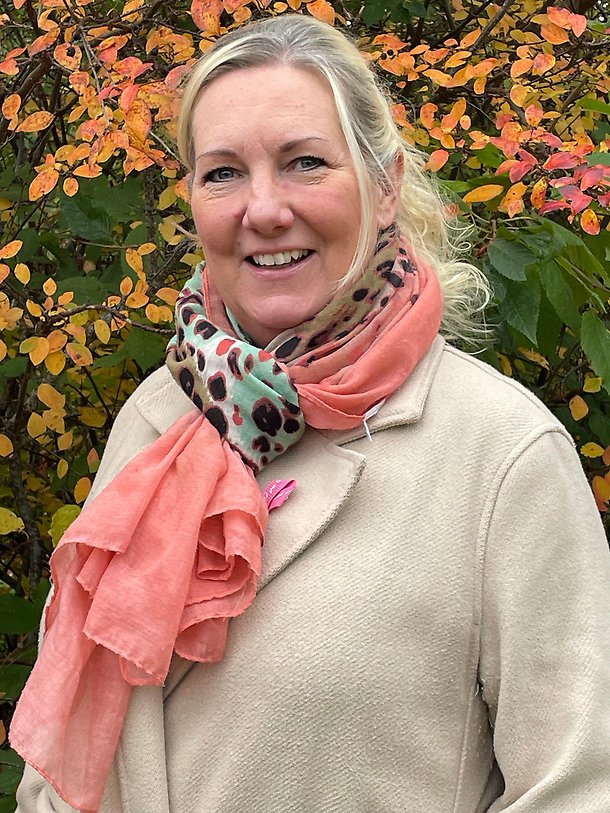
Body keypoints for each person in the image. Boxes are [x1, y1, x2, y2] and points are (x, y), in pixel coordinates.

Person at [11, 13, 610, 813]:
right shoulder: (155, 420)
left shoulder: (502, 453)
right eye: (223, 173)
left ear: (385, 184)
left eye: (304, 163)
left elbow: (578, 787)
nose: (262, 209)